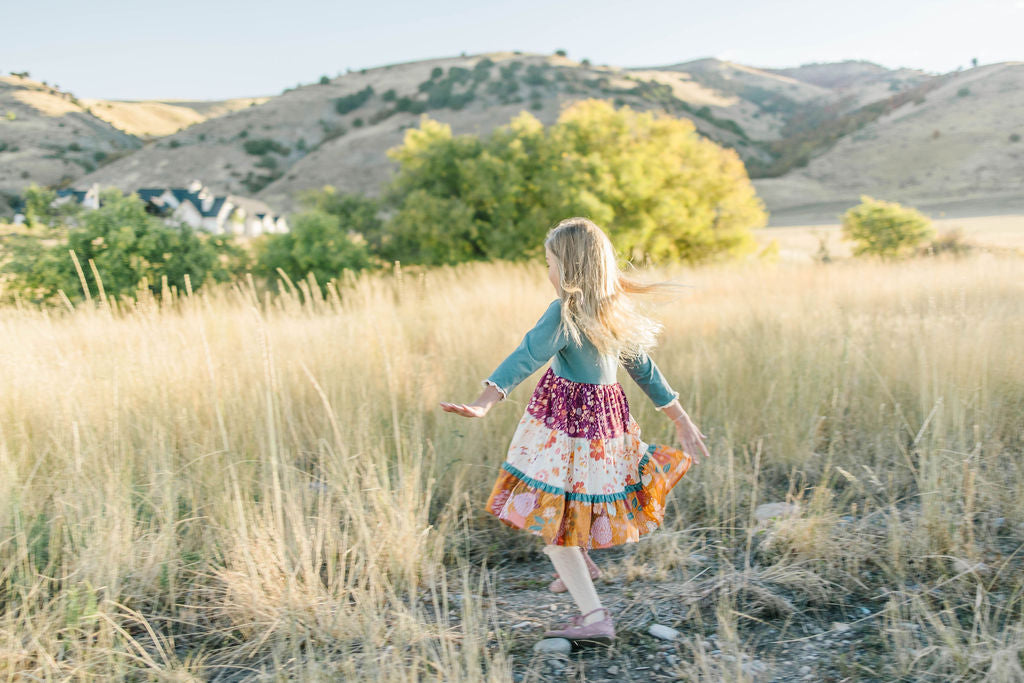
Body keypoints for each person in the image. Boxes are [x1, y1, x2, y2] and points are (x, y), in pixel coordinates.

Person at [439, 217, 710, 645]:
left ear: (569, 268)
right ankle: (580, 560)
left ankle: (595, 616)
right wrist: (682, 419)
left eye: (549, 263)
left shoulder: (563, 311)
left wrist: (484, 402)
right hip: (604, 431)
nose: (547, 272)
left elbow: (525, 355)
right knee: (568, 505)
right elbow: (647, 373)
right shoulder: (612, 309)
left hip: (567, 428)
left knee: (554, 526)